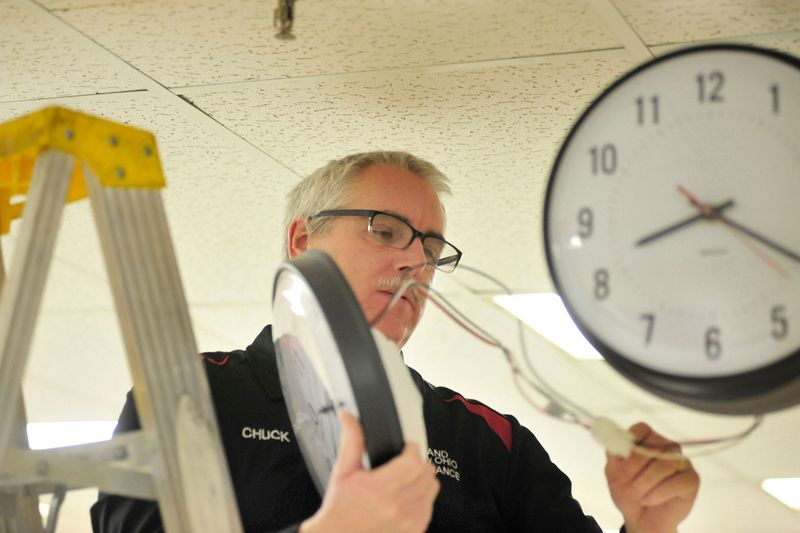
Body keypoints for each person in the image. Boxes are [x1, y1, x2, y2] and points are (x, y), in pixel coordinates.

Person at [91, 151, 700, 532]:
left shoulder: (490, 440)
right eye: (387, 231)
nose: (416, 261)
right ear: (302, 239)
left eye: (432, 248)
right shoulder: (192, 395)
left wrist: (648, 527)